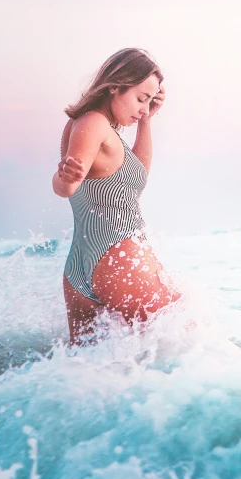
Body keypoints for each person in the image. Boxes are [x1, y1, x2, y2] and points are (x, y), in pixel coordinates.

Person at [53, 48, 182, 345]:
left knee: (84, 372)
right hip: (118, 258)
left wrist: (148, 120)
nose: (143, 108)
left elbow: (137, 178)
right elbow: (66, 186)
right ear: (115, 85)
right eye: (140, 98)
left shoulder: (94, 127)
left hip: (79, 272)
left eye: (150, 100)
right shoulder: (94, 123)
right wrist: (65, 179)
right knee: (184, 344)